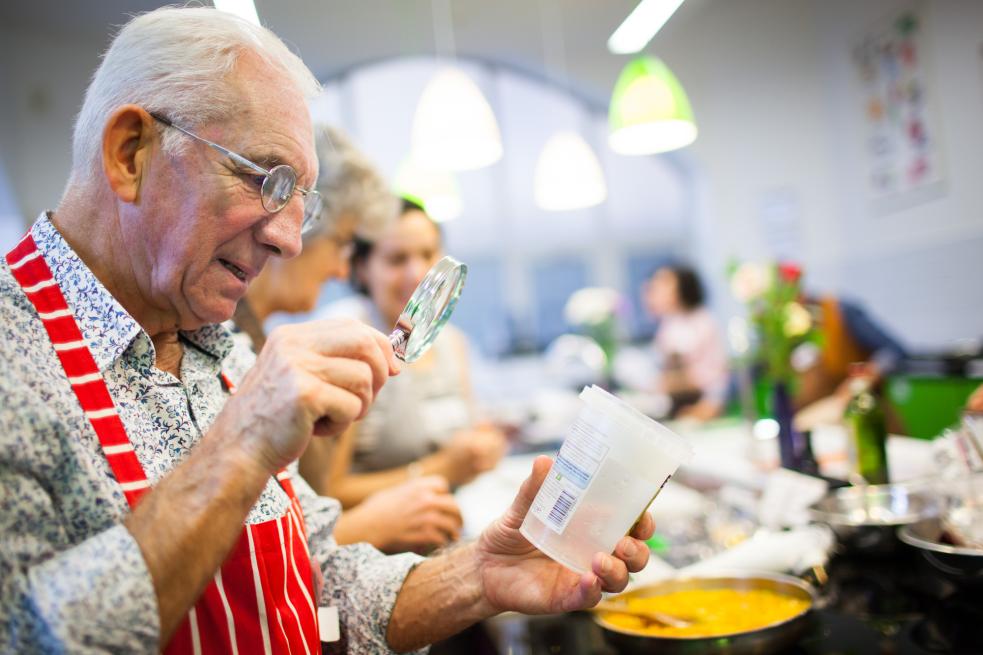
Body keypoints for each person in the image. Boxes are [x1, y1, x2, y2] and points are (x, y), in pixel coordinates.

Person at [0, 8, 652, 654]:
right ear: (130, 152)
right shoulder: (13, 357)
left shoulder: (218, 348)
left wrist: (482, 574)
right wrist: (243, 441)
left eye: (299, 204)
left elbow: (319, 580)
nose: (288, 238)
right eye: (264, 179)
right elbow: (28, 635)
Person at [231, 128, 462, 554]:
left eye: (427, 255)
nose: (342, 271)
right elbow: (254, 538)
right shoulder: (245, 346)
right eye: (342, 245)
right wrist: (366, 524)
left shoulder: (255, 339)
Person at [301, 199, 508, 506]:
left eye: (427, 254)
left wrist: (484, 449)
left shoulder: (453, 343)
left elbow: (471, 435)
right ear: (361, 268)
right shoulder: (346, 341)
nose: (418, 273)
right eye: (397, 259)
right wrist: (442, 470)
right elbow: (326, 493)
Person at [644, 264, 729, 420]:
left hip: (702, 408)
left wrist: (710, 405)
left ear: (682, 286)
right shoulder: (668, 324)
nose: (654, 288)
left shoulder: (703, 322)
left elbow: (716, 375)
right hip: (675, 408)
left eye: (664, 283)